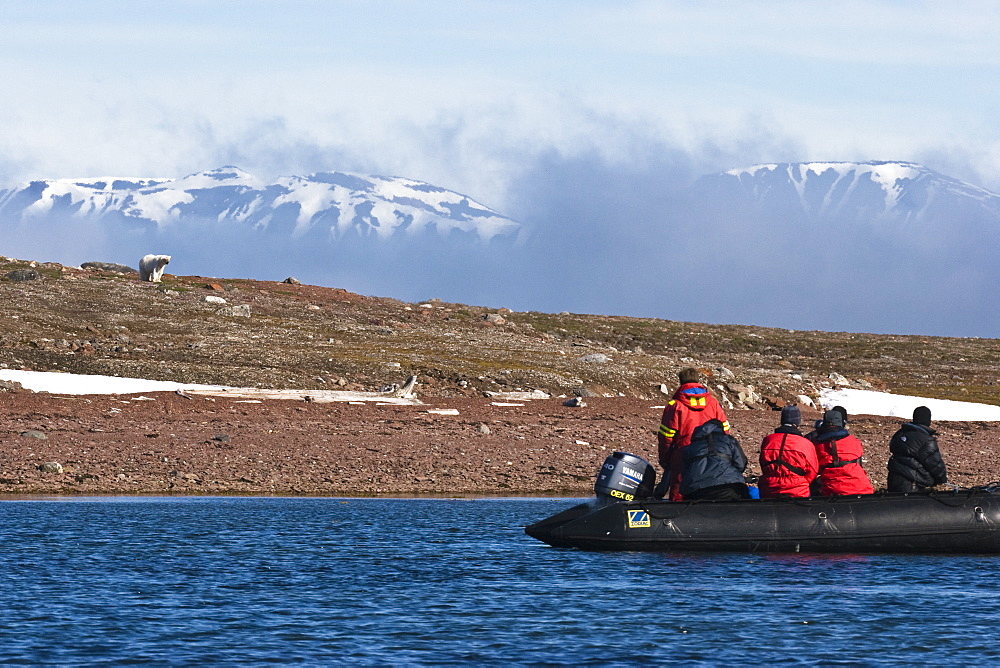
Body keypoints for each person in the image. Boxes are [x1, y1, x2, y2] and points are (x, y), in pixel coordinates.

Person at [655, 367, 731, 500]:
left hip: (683, 451)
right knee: (708, 485)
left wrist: (665, 458)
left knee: (679, 489)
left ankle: (677, 517)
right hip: (709, 449)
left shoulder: (675, 405)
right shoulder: (712, 402)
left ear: (681, 382)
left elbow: (666, 436)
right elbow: (725, 429)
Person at [679, 419, 751, 501]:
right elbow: (740, 464)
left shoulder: (689, 448)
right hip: (727, 486)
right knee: (744, 505)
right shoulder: (728, 440)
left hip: (695, 490)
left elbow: (684, 472)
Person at [758, 405, 818, 498]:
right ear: (797, 422)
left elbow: (763, 464)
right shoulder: (805, 443)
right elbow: (813, 470)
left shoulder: (768, 440)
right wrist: (802, 481)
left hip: (769, 487)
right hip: (797, 490)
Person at [809, 409, 874, 495]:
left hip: (832, 491)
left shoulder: (817, 446)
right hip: (861, 489)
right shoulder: (854, 441)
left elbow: (813, 470)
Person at [887, 406, 948, 492]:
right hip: (912, 483)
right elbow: (935, 463)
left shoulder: (900, 433)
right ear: (928, 420)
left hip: (894, 478)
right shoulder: (926, 440)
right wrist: (942, 479)